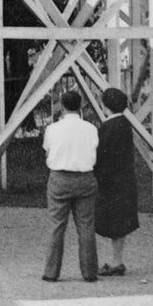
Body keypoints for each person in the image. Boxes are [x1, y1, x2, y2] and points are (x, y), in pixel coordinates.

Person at [41, 88, 99, 283]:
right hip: (85, 178)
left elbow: (47, 151)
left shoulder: (52, 129)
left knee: (56, 226)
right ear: (80, 106)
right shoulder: (91, 129)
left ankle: (51, 272)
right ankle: (89, 272)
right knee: (86, 226)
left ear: (62, 107)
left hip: (59, 178)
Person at [95, 87, 139, 277]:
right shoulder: (124, 123)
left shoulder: (107, 127)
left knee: (112, 221)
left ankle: (116, 262)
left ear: (105, 106)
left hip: (111, 180)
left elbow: (101, 155)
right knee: (119, 222)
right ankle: (117, 259)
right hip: (125, 178)